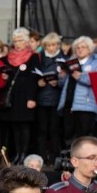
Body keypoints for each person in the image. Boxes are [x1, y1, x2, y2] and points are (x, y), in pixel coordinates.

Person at [0, 28, 40, 164]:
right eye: (15, 40)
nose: (17, 43)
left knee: (24, 126)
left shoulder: (33, 57)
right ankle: (16, 154)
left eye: (20, 40)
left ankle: (24, 154)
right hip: (12, 96)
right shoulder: (7, 57)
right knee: (14, 126)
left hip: (25, 95)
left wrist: (32, 98)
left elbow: (34, 79)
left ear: (27, 41)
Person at [58, 36, 97, 141]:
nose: (79, 49)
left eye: (83, 47)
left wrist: (81, 77)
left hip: (86, 105)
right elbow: (63, 85)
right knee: (68, 136)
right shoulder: (71, 62)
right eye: (77, 47)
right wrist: (61, 77)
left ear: (89, 49)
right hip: (69, 103)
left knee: (84, 138)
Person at [34, 32, 64, 162]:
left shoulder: (63, 59)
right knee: (41, 130)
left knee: (54, 130)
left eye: (54, 45)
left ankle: (53, 157)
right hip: (41, 99)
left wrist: (58, 83)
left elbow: (66, 80)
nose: (52, 48)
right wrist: (38, 83)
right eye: (49, 45)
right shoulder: (39, 58)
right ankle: (41, 157)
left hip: (56, 99)